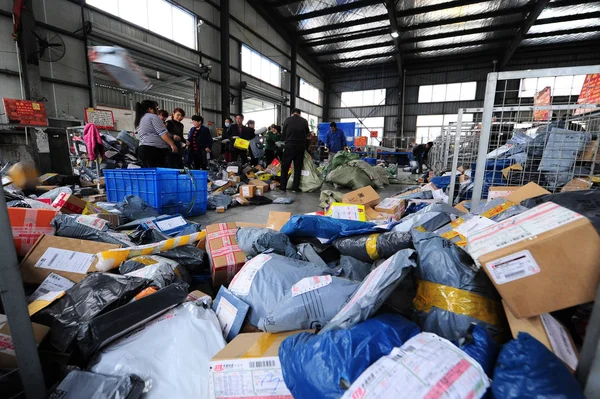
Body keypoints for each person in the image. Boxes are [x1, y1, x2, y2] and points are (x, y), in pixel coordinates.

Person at [135, 100, 177, 167]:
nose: (158, 110)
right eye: (157, 108)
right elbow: (162, 133)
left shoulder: (141, 118)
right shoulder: (153, 117)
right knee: (160, 173)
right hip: (153, 151)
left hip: (143, 149)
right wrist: (172, 144)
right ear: (150, 109)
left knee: (150, 174)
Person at [281, 109, 309, 192]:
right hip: (300, 147)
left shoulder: (287, 120)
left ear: (292, 114)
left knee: (285, 167)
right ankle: (295, 188)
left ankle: (283, 187)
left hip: (289, 146)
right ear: (300, 114)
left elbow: (283, 134)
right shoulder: (304, 121)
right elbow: (307, 133)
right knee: (297, 168)